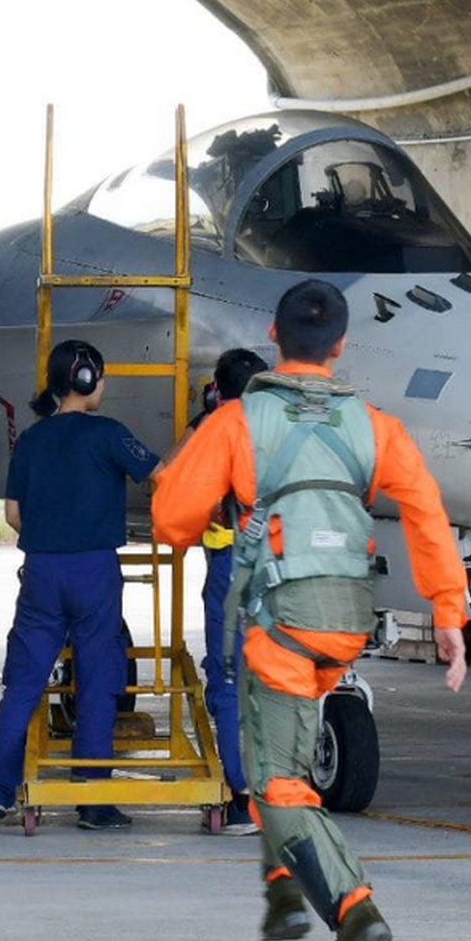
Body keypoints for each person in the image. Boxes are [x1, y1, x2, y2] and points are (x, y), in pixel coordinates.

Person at [151, 280, 468, 941]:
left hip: (283, 623)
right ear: (342, 346)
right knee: (273, 751)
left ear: (273, 336)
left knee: (275, 784)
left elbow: (172, 522)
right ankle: (281, 891)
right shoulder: (375, 425)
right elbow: (425, 511)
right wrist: (448, 612)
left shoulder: (237, 422)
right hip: (348, 621)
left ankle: (356, 911)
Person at [0, 339, 159, 832]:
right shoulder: (110, 435)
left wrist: (49, 538)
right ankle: (93, 800)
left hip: (41, 570)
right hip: (93, 571)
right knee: (98, 683)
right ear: (87, 380)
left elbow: (13, 514)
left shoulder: (29, 440)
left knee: (23, 685)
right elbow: (162, 476)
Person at [194, 348, 270, 835]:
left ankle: (243, 796)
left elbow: (179, 484)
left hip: (231, 570)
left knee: (227, 681)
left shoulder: (215, 431)